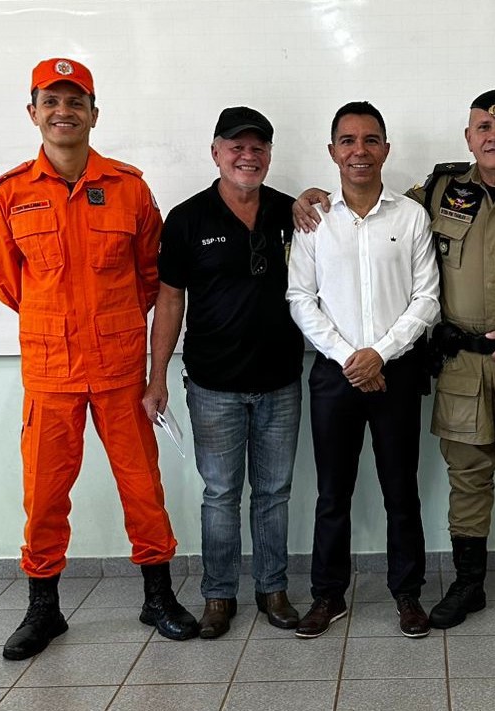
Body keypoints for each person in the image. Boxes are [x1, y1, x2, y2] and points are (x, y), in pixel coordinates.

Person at [294, 90, 495, 638]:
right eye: (481, 126)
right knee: (468, 479)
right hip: (461, 365)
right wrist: (308, 195)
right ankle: (468, 584)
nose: (493, 135)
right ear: (468, 138)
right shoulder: (437, 191)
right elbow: (364, 195)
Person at [0, 58, 197, 661]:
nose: (63, 112)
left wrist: (110, 325)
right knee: (45, 494)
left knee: (142, 486)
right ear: (33, 113)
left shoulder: (129, 188)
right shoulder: (11, 194)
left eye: (75, 101)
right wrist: (61, 322)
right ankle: (44, 610)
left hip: (119, 369)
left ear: (94, 114)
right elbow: (9, 284)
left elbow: (151, 276)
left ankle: (157, 597)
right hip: (50, 372)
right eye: (51, 101)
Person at [142, 107, 304, 638]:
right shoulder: (187, 219)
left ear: (269, 156)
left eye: (258, 147)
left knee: (275, 491)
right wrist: (157, 375)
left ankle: (273, 589)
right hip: (212, 385)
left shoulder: (292, 212)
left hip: (281, 380)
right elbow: (169, 301)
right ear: (216, 152)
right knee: (220, 494)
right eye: (236, 146)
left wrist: (319, 197)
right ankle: (218, 596)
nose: (247, 156)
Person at [287, 101, 440, 639]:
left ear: (386, 149)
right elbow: (300, 297)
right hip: (334, 374)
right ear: (332, 152)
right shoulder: (314, 220)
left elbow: (427, 298)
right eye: (348, 141)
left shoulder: (411, 216)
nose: (360, 151)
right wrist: (349, 356)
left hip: (395, 372)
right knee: (333, 492)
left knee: (402, 489)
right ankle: (328, 596)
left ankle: (408, 595)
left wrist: (381, 353)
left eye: (370, 140)